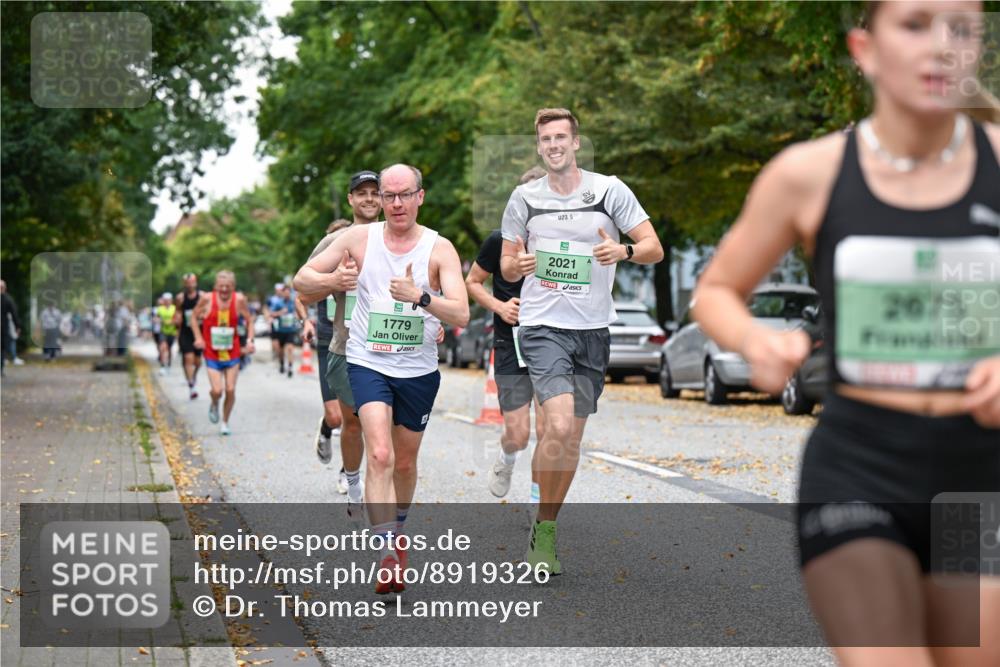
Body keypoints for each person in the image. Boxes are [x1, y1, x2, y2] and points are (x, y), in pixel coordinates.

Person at [691, 2, 999, 662]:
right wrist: (756, 341)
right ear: (865, 49)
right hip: (860, 466)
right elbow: (716, 291)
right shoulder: (809, 173)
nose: (941, 45)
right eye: (915, 24)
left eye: (962, 28)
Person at [500, 108, 663, 575]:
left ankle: (545, 525)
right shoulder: (523, 198)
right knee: (560, 426)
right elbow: (507, 264)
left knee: (569, 441)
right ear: (538, 147)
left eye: (561, 137)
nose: (553, 145)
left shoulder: (609, 190)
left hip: (592, 330)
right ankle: (542, 532)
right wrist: (521, 265)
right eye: (545, 139)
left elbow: (654, 247)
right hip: (542, 326)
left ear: (576, 143)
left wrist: (623, 251)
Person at [294, 163, 469, 594]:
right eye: (388, 196)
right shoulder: (356, 238)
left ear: (419, 197)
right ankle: (386, 551)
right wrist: (335, 279)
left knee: (405, 463)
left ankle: (400, 530)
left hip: (418, 369)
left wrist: (422, 298)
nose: (394, 203)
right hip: (367, 360)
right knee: (381, 455)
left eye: (403, 195)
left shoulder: (439, 248)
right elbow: (302, 279)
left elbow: (462, 312)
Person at [297, 170, 384, 505]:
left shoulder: (397, 235)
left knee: (382, 429)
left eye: (375, 193)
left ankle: (381, 503)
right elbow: (302, 283)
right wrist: (334, 280)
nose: (369, 199)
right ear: (350, 199)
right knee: (351, 423)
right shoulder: (336, 241)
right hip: (346, 346)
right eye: (361, 193)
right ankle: (352, 481)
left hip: (388, 346)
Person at [466, 166, 548, 498]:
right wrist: (499, 307)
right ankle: (507, 456)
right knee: (518, 433)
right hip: (510, 342)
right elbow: (473, 282)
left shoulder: (565, 242)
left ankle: (537, 502)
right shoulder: (499, 240)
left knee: (548, 430)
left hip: (552, 343)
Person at [191, 271, 256, 436]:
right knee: (217, 391)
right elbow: (193, 317)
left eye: (228, 286)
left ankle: (225, 422)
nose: (225, 289)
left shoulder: (239, 300)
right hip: (212, 352)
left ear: (233, 287)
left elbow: (249, 320)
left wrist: (250, 340)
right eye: (221, 286)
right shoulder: (207, 298)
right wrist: (198, 338)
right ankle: (214, 403)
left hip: (232, 351)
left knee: (230, 389)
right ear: (216, 287)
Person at [175, 273, 205, 399]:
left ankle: (193, 376)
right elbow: (178, 311)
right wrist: (177, 319)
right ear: (184, 284)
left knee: (198, 362)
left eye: (192, 282)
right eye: (187, 283)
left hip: (199, 332)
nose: (190, 285)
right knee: (188, 358)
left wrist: (202, 316)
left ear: (196, 282)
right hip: (186, 332)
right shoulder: (180, 298)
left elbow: (207, 310)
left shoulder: (202, 296)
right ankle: (191, 385)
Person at [267, 284, 297, 377]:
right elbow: (271, 314)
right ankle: (282, 363)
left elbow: (299, 312)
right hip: (280, 330)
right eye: (286, 293)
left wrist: (297, 315)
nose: (287, 294)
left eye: (289, 293)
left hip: (290, 330)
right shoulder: (278, 303)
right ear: (283, 293)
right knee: (280, 351)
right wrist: (280, 312)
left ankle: (290, 367)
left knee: (290, 349)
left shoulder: (293, 303)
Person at [1, 280, 23, 374]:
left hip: (3, 328)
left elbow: (14, 313)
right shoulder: (8, 299)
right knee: (2, 349)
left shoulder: (8, 299)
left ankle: (1, 369)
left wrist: (17, 326)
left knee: (2, 348)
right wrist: (17, 326)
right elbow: (14, 313)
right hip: (3, 327)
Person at [155, 292, 177, 375]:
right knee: (163, 348)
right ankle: (162, 366)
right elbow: (156, 318)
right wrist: (160, 320)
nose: (167, 301)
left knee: (169, 349)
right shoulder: (160, 309)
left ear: (171, 300)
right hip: (163, 331)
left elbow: (178, 319)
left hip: (172, 331)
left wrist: (172, 322)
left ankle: (169, 365)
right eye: (165, 300)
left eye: (168, 300)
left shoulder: (174, 308)